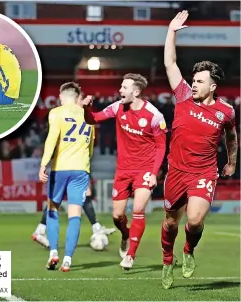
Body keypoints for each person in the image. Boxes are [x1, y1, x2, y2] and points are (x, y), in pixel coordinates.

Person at [161, 11, 237, 289]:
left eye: (199, 81)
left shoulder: (225, 111)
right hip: (176, 171)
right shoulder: (182, 97)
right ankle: (167, 260)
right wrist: (171, 31)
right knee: (171, 223)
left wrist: (232, 162)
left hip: (204, 172)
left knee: (194, 220)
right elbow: (170, 63)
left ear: (213, 86)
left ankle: (188, 251)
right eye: (193, 79)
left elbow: (231, 136)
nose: (193, 83)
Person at [82, 73, 168, 269]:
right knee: (117, 216)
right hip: (123, 170)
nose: (120, 90)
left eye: (124, 87)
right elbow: (92, 119)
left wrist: (154, 173)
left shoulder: (154, 116)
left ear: (136, 92)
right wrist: (87, 107)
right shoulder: (117, 108)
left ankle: (130, 255)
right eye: (121, 87)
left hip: (145, 170)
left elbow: (161, 146)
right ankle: (125, 235)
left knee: (138, 209)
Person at [38, 82, 95, 272]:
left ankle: (53, 252)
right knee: (75, 214)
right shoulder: (89, 117)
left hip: (60, 168)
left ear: (62, 97)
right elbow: (91, 148)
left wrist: (43, 164)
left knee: (52, 208)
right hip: (81, 170)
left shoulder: (56, 112)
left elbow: (51, 139)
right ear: (77, 96)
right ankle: (68, 259)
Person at [32, 179, 115, 248]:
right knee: (84, 193)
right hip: (70, 167)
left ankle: (40, 230)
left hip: (65, 168)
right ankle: (96, 228)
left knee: (57, 199)